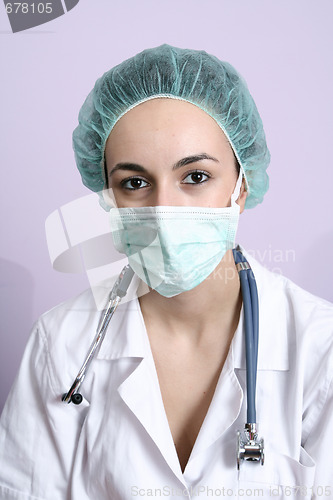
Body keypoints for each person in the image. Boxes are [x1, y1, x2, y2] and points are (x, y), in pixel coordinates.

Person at [0, 44, 332, 500]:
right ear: (108, 198)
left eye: (195, 176)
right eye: (134, 183)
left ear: (241, 186)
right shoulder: (60, 341)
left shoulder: (321, 346)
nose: (162, 211)